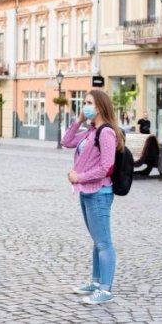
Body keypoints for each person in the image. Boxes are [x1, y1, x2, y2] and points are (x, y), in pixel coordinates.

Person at [61, 89, 124, 305]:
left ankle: (105, 290)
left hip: (99, 192)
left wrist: (80, 177)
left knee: (104, 242)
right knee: (97, 241)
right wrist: (79, 120)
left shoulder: (106, 133)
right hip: (87, 191)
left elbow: (107, 167)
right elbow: (66, 140)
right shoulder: (91, 131)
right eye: (84, 102)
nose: (85, 106)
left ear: (99, 106)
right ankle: (96, 282)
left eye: (88, 103)